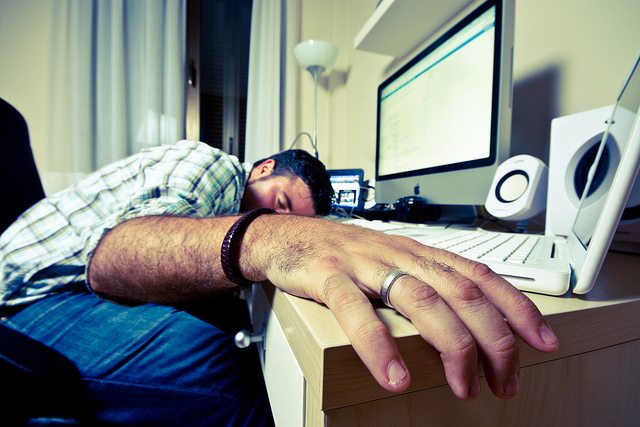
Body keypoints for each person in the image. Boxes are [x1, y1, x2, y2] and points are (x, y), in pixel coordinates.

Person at [0, 140, 559, 425]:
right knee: (224, 371)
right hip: (22, 299)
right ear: (263, 168)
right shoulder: (214, 165)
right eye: (281, 204)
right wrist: (265, 239)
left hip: (55, 291)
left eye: (295, 221)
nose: (281, 221)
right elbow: (115, 254)